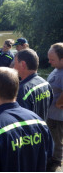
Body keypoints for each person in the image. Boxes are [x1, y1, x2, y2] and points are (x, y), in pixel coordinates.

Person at [14, 49, 53, 121]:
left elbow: (20, 119)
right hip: (41, 128)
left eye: (15, 63)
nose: (14, 67)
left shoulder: (22, 90)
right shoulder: (45, 83)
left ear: (23, 64)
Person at [46, 42, 63, 171]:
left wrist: (58, 103)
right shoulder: (58, 68)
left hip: (57, 116)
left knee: (57, 139)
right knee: (52, 136)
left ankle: (56, 162)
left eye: (52, 59)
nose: (49, 62)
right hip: (51, 113)